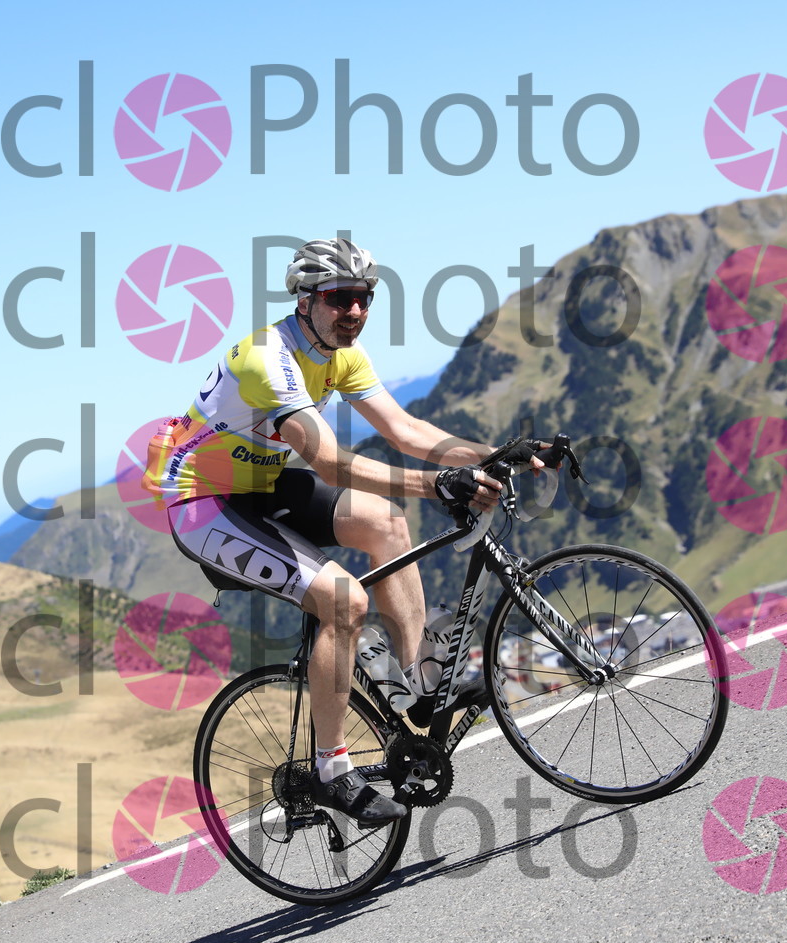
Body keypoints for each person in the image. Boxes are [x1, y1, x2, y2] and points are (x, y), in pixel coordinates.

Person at [148, 238, 534, 825]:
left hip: (262, 484)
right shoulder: (266, 358)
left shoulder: (342, 355)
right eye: (339, 298)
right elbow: (330, 463)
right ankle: (332, 772)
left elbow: (406, 430)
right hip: (202, 502)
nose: (354, 311)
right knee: (343, 600)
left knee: (387, 522)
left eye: (364, 298)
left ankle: (420, 685)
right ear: (304, 301)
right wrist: (438, 484)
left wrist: (496, 454)